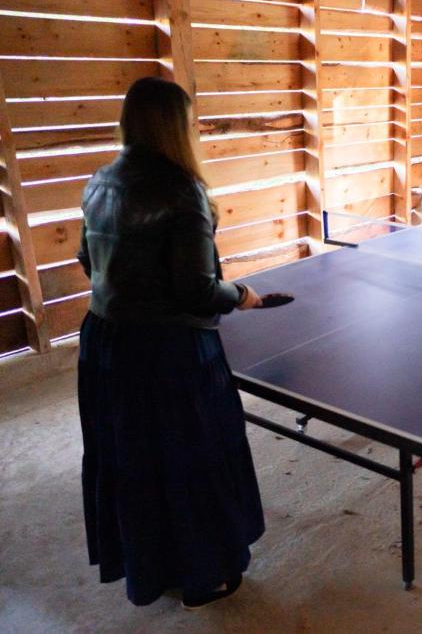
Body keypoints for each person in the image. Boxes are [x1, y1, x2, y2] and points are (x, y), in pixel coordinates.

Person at [76, 77, 265, 609]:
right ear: (175, 126)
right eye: (191, 120)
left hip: (105, 343)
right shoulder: (184, 190)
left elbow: (88, 262)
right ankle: (205, 577)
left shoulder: (99, 182)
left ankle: (153, 568)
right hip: (170, 352)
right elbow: (197, 290)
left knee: (134, 458)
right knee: (194, 457)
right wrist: (241, 295)